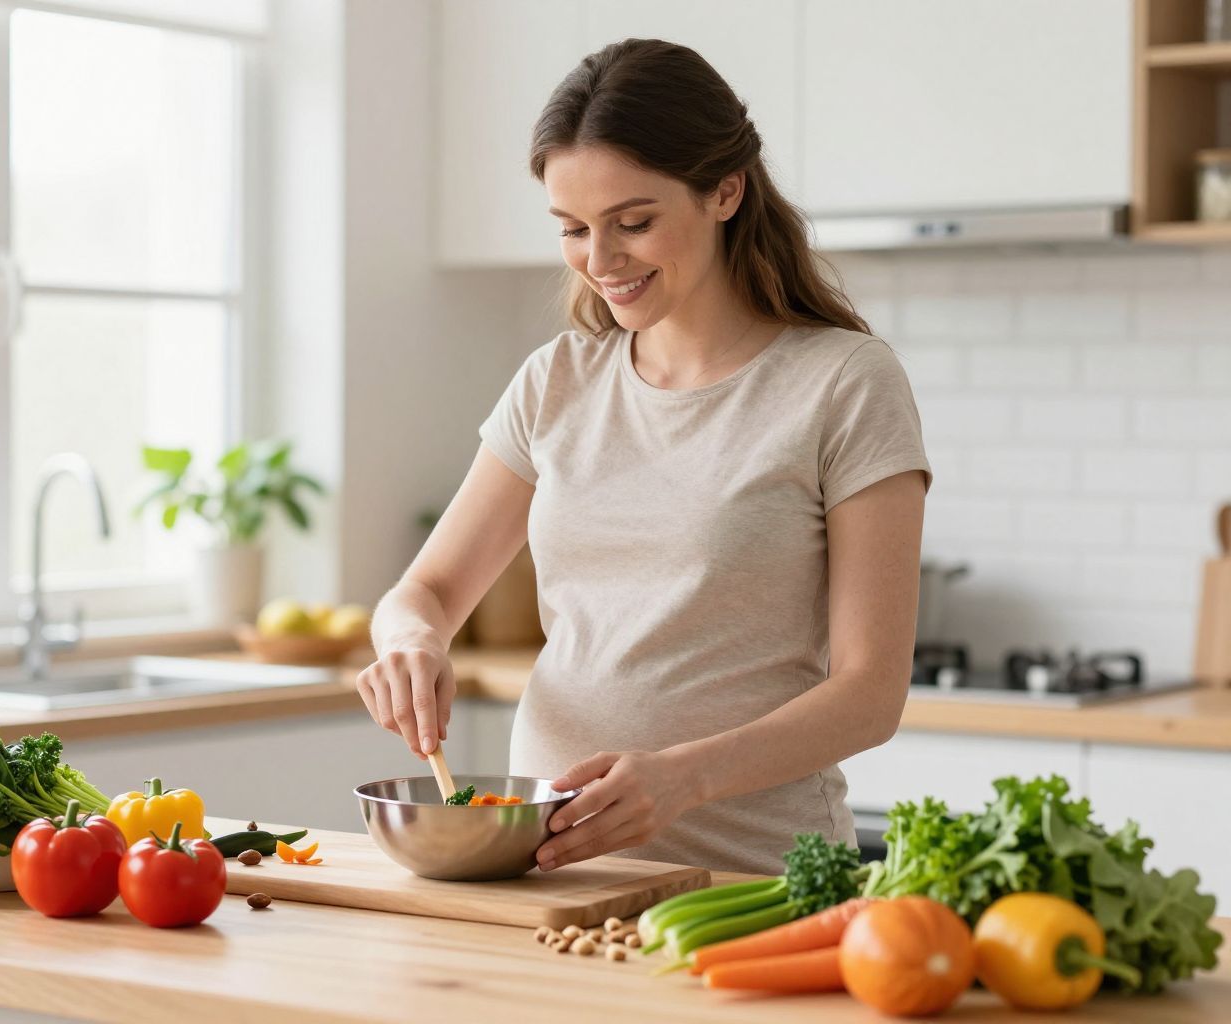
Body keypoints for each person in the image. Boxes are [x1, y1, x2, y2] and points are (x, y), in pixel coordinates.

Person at [356, 38, 931, 876]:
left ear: (725, 190)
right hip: (554, 876)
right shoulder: (557, 379)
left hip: (753, 882)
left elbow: (871, 693)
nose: (600, 260)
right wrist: (411, 642)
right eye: (573, 229)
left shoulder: (843, 383)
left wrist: (684, 777)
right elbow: (428, 591)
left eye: (633, 223)